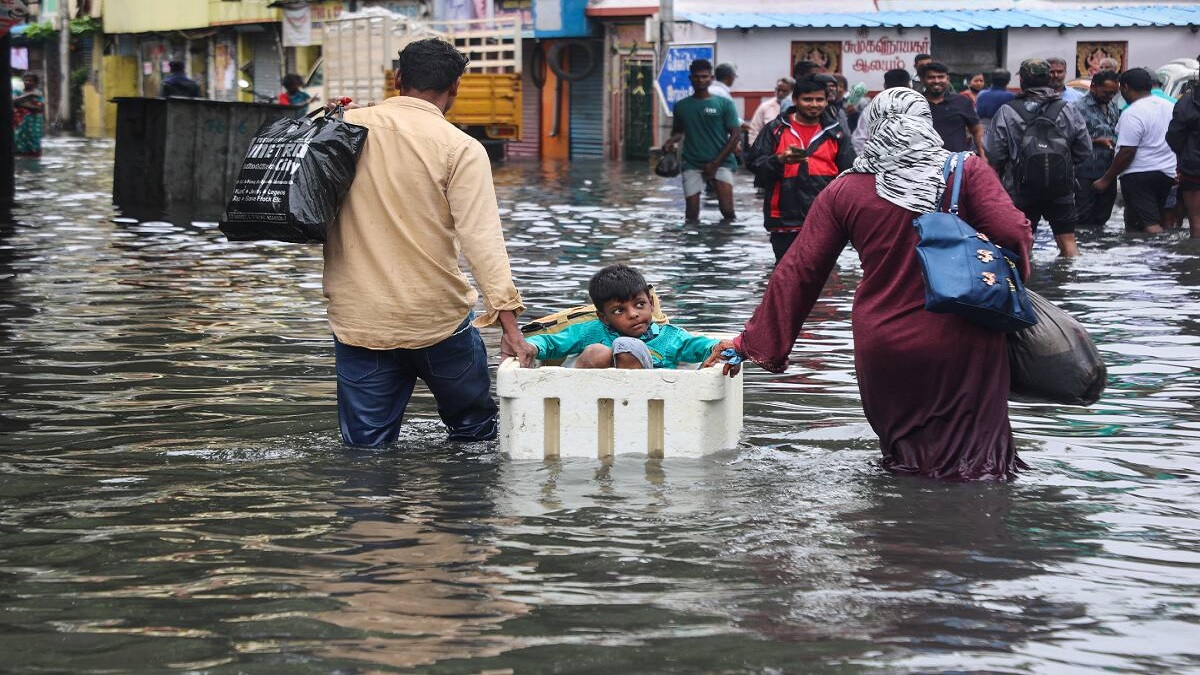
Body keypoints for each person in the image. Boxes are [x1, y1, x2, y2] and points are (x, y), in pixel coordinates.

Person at [703, 88, 1033, 481]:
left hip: (884, 344)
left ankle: (895, 534)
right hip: (962, 337)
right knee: (978, 466)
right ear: (924, 122)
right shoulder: (966, 170)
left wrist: (750, 344)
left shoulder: (845, 189)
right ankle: (964, 530)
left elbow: (799, 272)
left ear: (873, 127)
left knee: (904, 461)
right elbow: (1013, 232)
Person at [323, 38, 533, 447]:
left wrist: (332, 118)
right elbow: (483, 241)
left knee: (366, 453)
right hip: (438, 321)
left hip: (360, 321)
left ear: (398, 79)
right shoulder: (460, 148)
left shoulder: (343, 128)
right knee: (476, 437)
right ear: (455, 87)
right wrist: (510, 327)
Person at [523, 264, 719, 369]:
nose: (633, 314)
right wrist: (532, 346)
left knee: (628, 348)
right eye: (619, 310)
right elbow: (551, 342)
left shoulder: (669, 337)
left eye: (640, 304)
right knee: (598, 352)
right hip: (588, 407)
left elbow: (699, 346)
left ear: (651, 304)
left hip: (650, 410)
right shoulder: (591, 331)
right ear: (603, 317)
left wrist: (716, 348)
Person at [987, 59, 1090, 257]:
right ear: (1048, 79)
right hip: (1061, 187)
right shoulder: (1068, 109)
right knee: (1067, 240)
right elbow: (1084, 149)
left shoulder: (1007, 111)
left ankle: (1026, 282)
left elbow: (995, 153)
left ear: (1022, 80)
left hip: (1021, 187)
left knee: (1023, 241)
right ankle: (1070, 282)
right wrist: (1063, 167)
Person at [749, 79, 856, 262]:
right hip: (783, 218)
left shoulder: (836, 134)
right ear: (795, 100)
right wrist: (779, 160)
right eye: (808, 99)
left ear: (826, 101)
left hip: (825, 218)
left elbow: (849, 176)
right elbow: (753, 164)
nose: (814, 105)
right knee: (785, 274)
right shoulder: (775, 130)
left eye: (819, 100)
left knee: (819, 276)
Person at [1092, 68, 1178, 234]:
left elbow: (1127, 151)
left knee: (1149, 224)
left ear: (1125, 87)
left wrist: (1106, 179)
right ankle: (1144, 255)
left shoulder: (1132, 112)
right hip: (1167, 173)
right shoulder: (1170, 107)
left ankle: (1162, 255)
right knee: (1143, 220)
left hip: (1139, 175)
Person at [662, 59, 740, 223]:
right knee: (691, 215)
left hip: (722, 162)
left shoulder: (724, 104)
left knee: (728, 212)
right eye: (696, 77)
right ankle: (691, 246)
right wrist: (670, 142)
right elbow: (678, 132)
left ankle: (723, 244)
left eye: (704, 77)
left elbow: (735, 136)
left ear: (711, 78)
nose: (701, 80)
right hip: (692, 162)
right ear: (690, 79)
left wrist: (716, 163)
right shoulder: (681, 106)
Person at [1071, 70, 1122, 229]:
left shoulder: (1112, 106)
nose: (1110, 96)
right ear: (1093, 87)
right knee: (1082, 217)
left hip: (1108, 170)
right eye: (1106, 92)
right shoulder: (1076, 108)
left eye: (1114, 93)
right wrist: (1095, 141)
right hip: (1084, 172)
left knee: (1103, 216)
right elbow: (1066, 138)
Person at [920, 61, 986, 157]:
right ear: (922, 80)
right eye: (931, 77)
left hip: (957, 164)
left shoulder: (962, 101)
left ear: (947, 79)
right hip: (923, 163)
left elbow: (976, 130)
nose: (937, 81)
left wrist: (983, 156)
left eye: (941, 77)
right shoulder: (916, 103)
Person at [1167, 72, 1200, 238]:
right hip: (1193, 167)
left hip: (1194, 169)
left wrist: (1185, 156)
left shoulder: (1187, 102)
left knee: (1196, 222)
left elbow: (1173, 136)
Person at [852, 68, 911, 154]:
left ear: (885, 86)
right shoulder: (917, 106)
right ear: (909, 86)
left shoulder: (872, 108)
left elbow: (859, 140)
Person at [748, 77, 794, 145]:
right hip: (767, 150)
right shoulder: (765, 107)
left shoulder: (797, 108)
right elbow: (754, 129)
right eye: (778, 90)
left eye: (784, 91)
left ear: (792, 92)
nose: (780, 93)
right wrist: (754, 148)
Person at [12, 73, 44, 157]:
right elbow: (13, 102)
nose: (28, 82)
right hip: (19, 122)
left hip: (33, 123)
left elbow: (38, 108)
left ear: (36, 83)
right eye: (25, 80)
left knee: (33, 143)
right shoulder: (18, 91)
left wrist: (20, 104)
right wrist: (29, 96)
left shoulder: (38, 93)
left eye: (31, 81)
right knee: (17, 140)